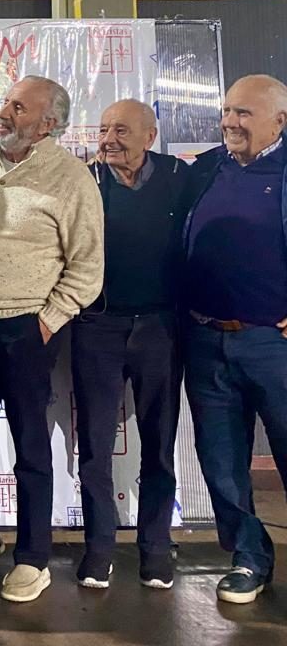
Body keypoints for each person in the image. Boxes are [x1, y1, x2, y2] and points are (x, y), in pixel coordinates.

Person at [0, 75, 103, 602]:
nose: (5, 112)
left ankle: (33, 557)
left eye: (19, 107)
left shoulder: (71, 178)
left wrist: (47, 321)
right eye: (7, 102)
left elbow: (87, 267)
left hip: (27, 327)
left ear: (48, 124)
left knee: (30, 444)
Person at [182, 73, 287, 604]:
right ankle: (249, 557)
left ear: (279, 121)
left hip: (273, 345)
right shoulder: (205, 169)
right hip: (205, 340)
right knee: (221, 462)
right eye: (227, 111)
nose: (230, 121)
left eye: (244, 113)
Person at [74, 99, 187, 590]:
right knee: (95, 447)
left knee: (159, 444)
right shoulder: (84, 180)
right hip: (98, 326)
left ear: (150, 136)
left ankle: (156, 548)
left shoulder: (180, 178)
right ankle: (99, 549)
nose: (108, 140)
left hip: (161, 327)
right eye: (103, 129)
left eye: (121, 130)